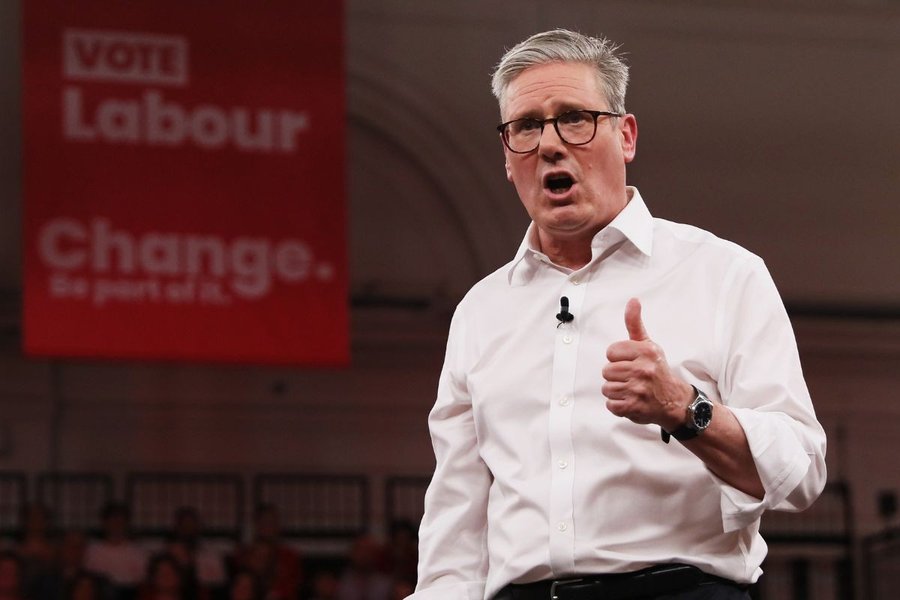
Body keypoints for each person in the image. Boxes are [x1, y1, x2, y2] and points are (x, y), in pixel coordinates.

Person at [410, 29, 827, 600]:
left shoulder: (724, 274)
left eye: (575, 118)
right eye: (526, 127)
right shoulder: (480, 312)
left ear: (625, 136)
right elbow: (455, 527)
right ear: (508, 159)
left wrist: (686, 409)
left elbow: (801, 471)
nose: (550, 144)